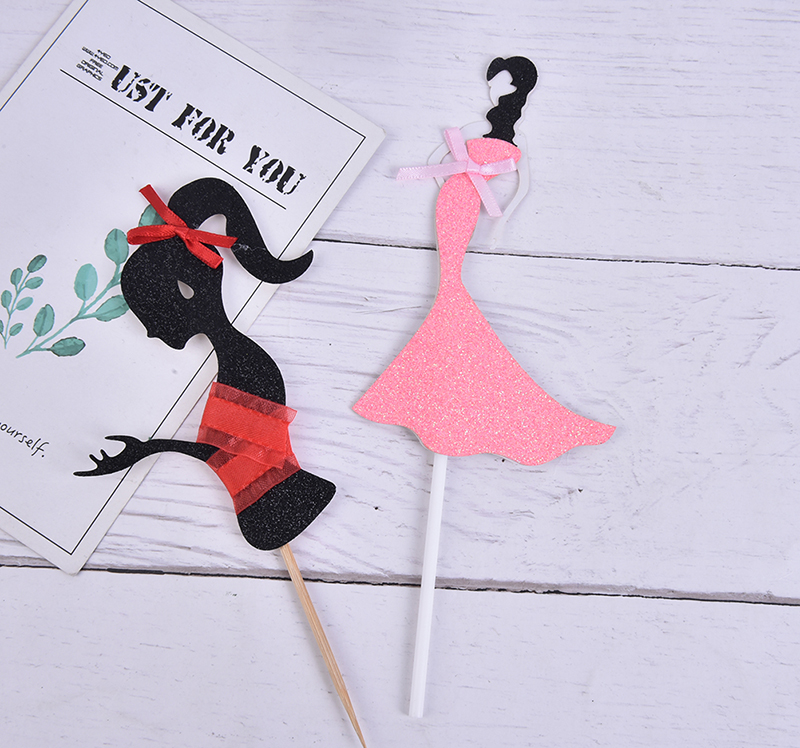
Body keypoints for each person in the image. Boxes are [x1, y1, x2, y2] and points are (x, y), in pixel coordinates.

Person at [354, 56, 615, 463]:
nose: (494, 89)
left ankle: (454, 335)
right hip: (452, 197)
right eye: (493, 83)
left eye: (500, 82)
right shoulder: (472, 130)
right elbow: (442, 156)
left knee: (451, 284)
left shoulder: (513, 143)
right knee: (448, 280)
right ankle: (449, 324)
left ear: (513, 86)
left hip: (475, 200)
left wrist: (501, 218)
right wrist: (448, 172)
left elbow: (521, 184)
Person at [75, 177, 335, 550]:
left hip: (277, 495)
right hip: (272, 496)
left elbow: (230, 452)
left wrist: (148, 449)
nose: (150, 332)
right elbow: (224, 452)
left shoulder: (243, 370)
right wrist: (147, 449)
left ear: (186, 296)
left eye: (151, 316)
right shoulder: (239, 365)